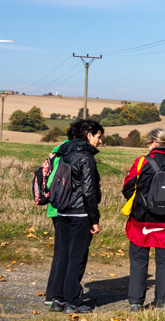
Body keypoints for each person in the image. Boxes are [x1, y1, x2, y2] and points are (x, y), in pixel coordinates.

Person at [122, 128, 165, 311]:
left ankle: (136, 302)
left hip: (141, 218)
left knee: (138, 259)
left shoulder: (142, 162)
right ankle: (163, 303)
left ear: (153, 143)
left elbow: (127, 188)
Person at [48, 119, 104, 314]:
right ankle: (73, 301)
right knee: (77, 257)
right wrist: (94, 219)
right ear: (89, 136)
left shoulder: (65, 153)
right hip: (80, 213)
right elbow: (89, 191)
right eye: (98, 137)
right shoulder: (85, 157)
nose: (100, 141)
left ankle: (58, 299)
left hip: (62, 210)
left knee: (63, 255)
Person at [43, 123, 80, 308]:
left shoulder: (57, 151)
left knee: (60, 252)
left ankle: (53, 294)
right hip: (65, 207)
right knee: (65, 253)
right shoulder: (69, 153)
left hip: (54, 205)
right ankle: (58, 295)